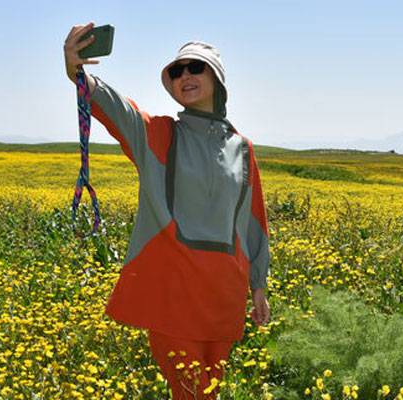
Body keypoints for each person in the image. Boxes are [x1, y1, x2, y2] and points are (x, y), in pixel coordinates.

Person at [63, 23, 270, 399]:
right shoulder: (158, 135)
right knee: (188, 391)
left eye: (195, 68)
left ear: (216, 78)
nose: (185, 76)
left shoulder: (244, 148)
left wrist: (258, 284)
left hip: (224, 296)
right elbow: (118, 110)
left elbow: (254, 220)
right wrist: (78, 73)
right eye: (177, 71)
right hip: (173, 293)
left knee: (208, 391)